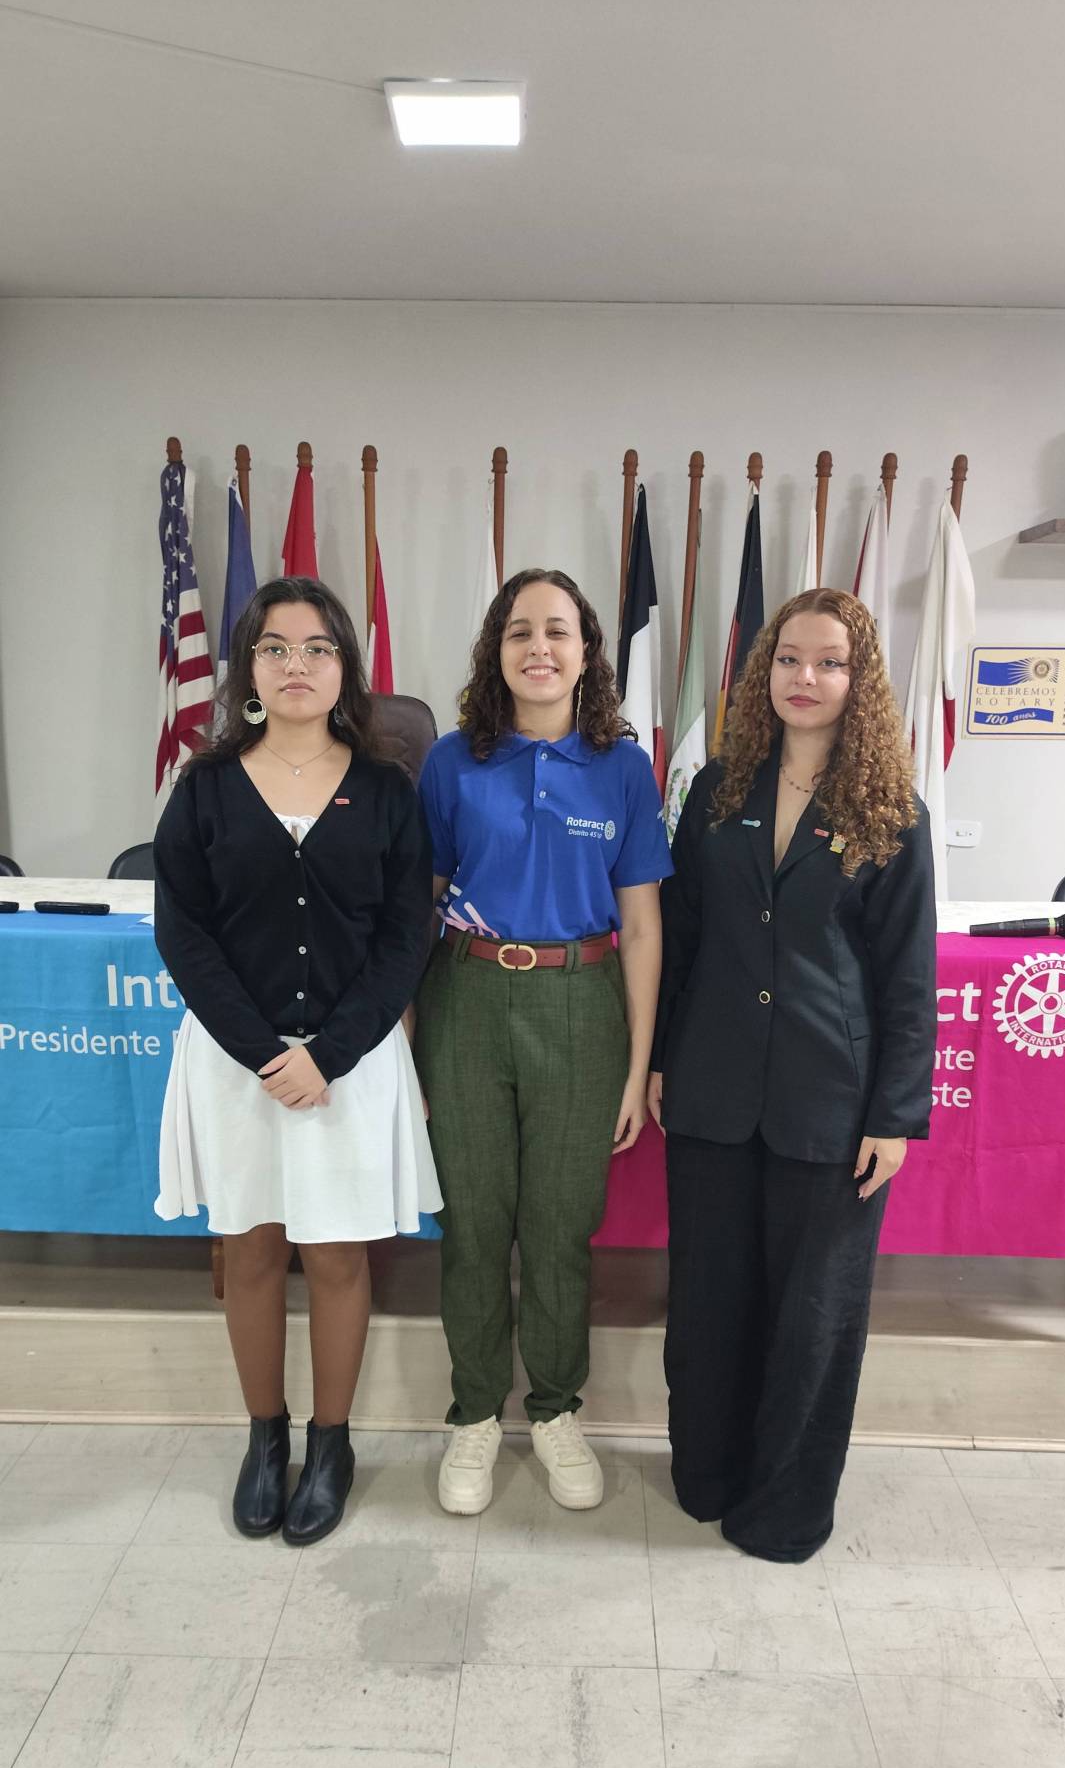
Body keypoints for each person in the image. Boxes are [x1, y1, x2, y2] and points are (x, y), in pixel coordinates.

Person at [648, 587, 936, 1562]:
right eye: (786, 659)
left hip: (831, 1100)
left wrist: (893, 1114)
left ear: (857, 682)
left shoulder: (891, 810)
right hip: (710, 1090)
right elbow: (680, 939)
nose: (803, 678)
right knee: (709, 1304)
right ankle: (706, 1477)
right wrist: (655, 1062)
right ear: (760, 672)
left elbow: (906, 976)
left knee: (811, 1321)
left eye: (826, 662)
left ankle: (782, 1509)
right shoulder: (717, 789)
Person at [153, 576, 440, 1545]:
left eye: (317, 647)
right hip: (236, 1067)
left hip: (349, 1067)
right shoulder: (202, 788)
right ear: (249, 670)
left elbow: (407, 934)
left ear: (345, 667)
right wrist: (263, 1052)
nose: (296, 665)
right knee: (250, 1248)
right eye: (275, 648)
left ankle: (330, 1443)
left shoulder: (388, 789)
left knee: (335, 1251)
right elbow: (183, 932)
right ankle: (263, 1438)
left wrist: (330, 1052)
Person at [413, 567, 671, 1516]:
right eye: (520, 630)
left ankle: (558, 1410)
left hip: (582, 1004)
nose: (540, 648)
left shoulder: (622, 767)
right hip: (466, 1001)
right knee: (474, 1226)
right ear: (497, 649)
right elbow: (418, 907)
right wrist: (412, 1048)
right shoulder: (451, 761)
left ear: (587, 651)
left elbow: (643, 927)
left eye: (559, 631)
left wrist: (638, 1066)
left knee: (560, 1231)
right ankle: (476, 1414)